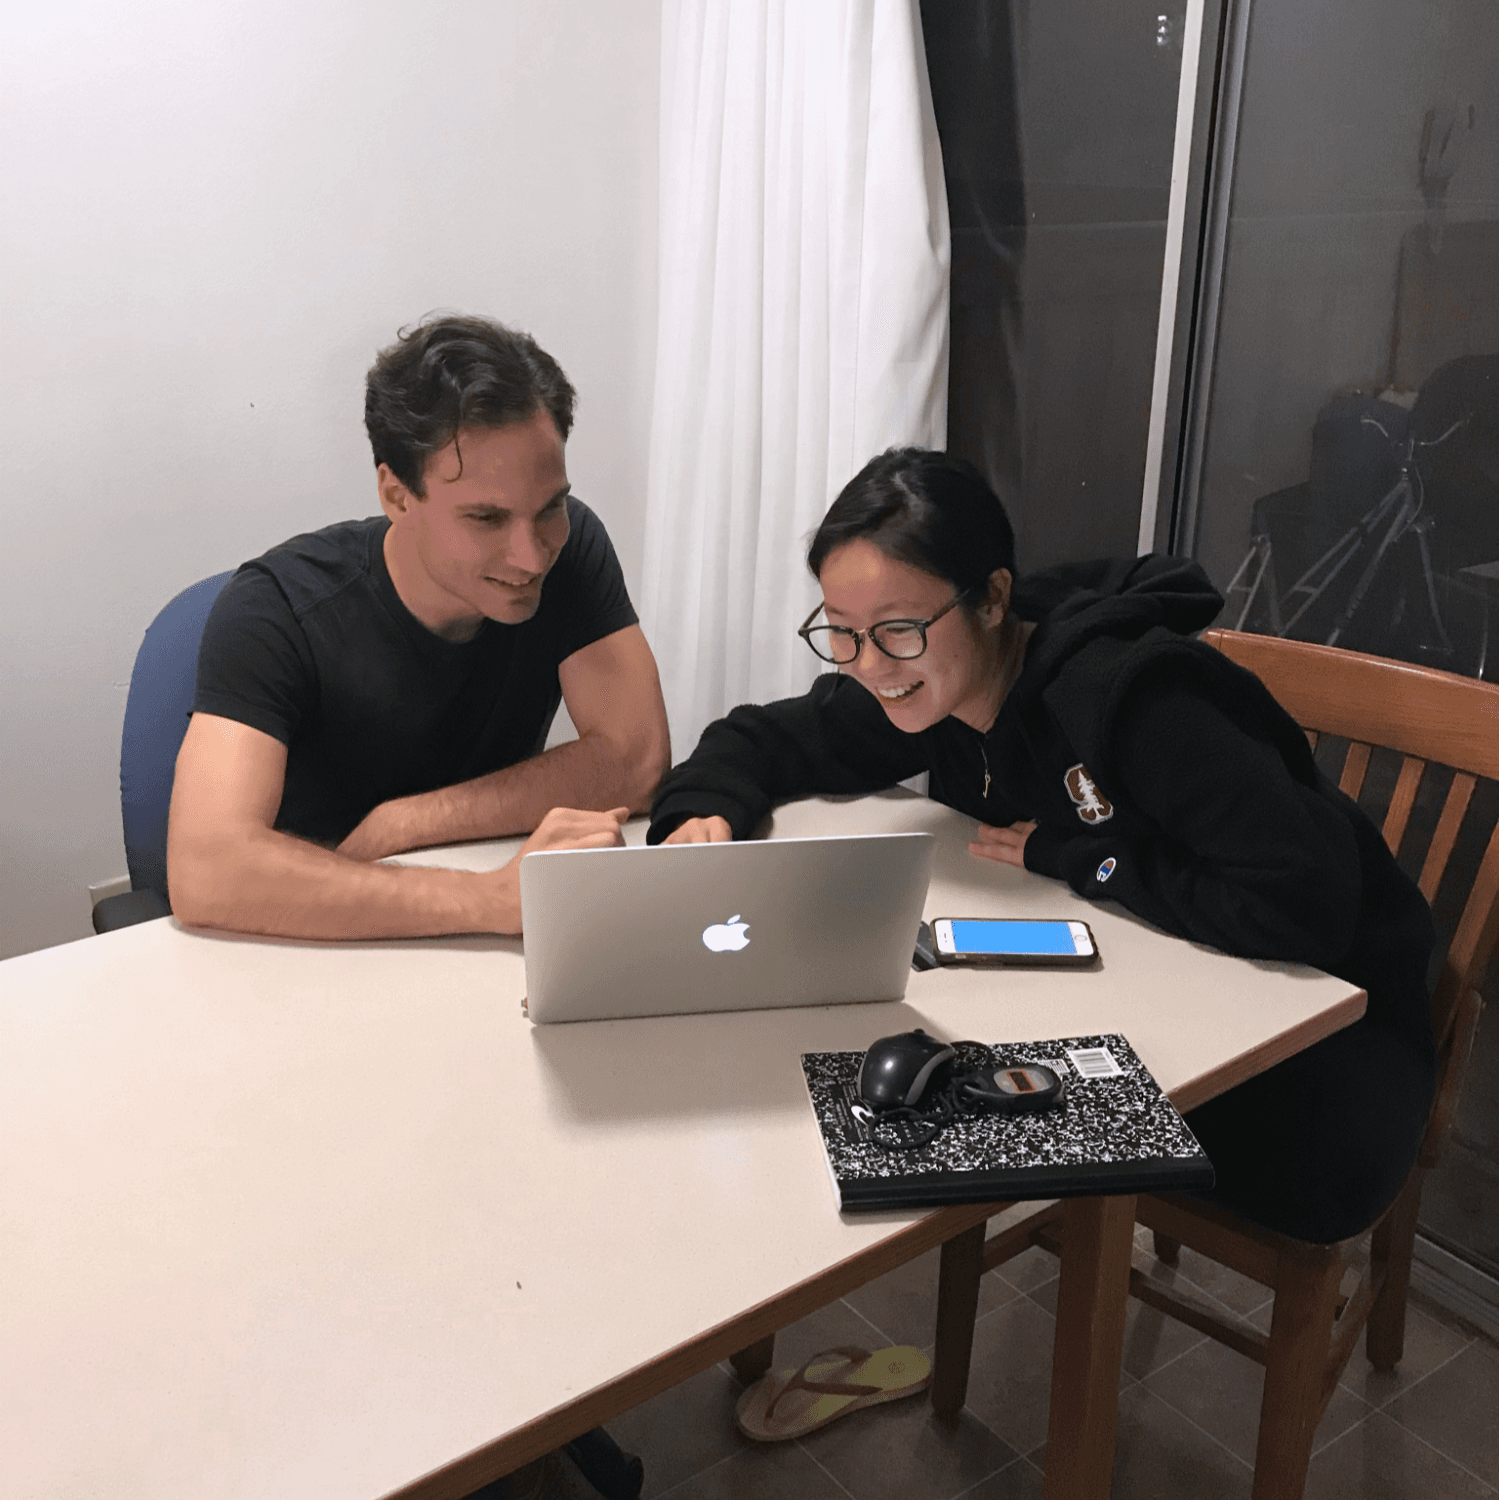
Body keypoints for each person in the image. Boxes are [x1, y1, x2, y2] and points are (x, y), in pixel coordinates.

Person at [647, 446, 1436, 1243]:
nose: (870, 666)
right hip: (1168, 991)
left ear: (991, 600)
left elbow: (1301, 902)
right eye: (842, 634)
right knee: (873, 1088)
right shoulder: (935, 685)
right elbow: (760, 739)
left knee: (906, 1123)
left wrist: (1083, 859)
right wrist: (700, 813)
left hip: (1324, 1068)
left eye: (897, 630)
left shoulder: (1135, 699)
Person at [168, 314, 670, 940]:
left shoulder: (572, 549)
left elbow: (636, 761)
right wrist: (486, 902)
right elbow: (208, 869)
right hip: (300, 934)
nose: (531, 555)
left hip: (480, 910)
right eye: (486, 519)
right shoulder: (273, 610)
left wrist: (403, 823)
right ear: (397, 496)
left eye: (549, 508)